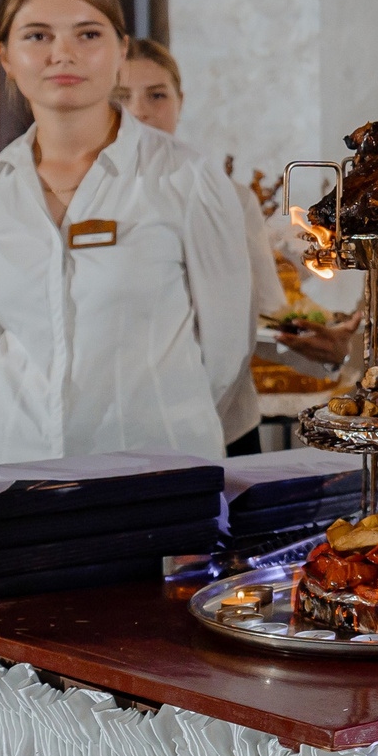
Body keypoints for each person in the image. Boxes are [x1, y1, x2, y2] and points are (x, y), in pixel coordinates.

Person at [0, 0, 252, 467]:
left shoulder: (188, 179)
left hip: (154, 465)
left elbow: (225, 351)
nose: (63, 53)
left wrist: (156, 414)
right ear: (6, 57)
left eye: (88, 34)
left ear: (121, 51)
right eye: (37, 35)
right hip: (10, 464)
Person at [118, 36, 290, 454]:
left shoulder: (231, 198)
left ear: (180, 101)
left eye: (156, 95)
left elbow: (267, 313)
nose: (139, 110)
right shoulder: (83, 207)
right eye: (121, 97)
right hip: (124, 432)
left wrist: (325, 353)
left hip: (225, 424)